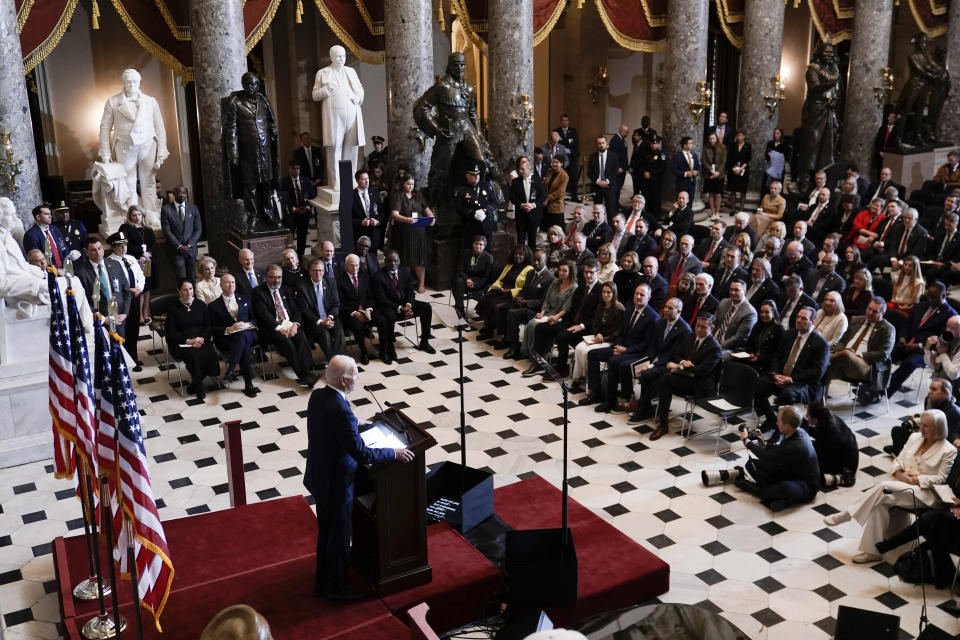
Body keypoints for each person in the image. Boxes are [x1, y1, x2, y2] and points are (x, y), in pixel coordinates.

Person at [304, 355, 414, 600]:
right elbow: (362, 453)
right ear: (344, 380)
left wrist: (356, 422)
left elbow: (334, 423)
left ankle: (323, 582)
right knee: (339, 537)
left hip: (320, 476)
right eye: (355, 373)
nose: (358, 376)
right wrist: (393, 452)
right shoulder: (340, 409)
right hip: (336, 483)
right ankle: (337, 590)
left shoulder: (319, 395)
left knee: (328, 533)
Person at [824, 409, 956, 563]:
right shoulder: (914, 437)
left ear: (938, 428)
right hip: (900, 485)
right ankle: (873, 551)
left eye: (926, 426)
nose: (921, 428)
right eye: (921, 424)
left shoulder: (948, 450)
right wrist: (900, 473)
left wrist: (917, 480)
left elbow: (941, 479)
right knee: (880, 503)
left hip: (925, 494)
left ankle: (847, 515)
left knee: (883, 487)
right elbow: (898, 459)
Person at [634, 313, 721, 440]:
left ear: (711, 329)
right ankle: (663, 424)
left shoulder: (715, 348)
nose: (699, 329)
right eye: (697, 326)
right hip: (685, 377)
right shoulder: (690, 337)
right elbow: (677, 355)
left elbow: (702, 371)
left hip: (699, 385)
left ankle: (641, 403)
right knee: (666, 384)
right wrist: (682, 363)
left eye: (703, 327)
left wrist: (681, 366)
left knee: (668, 378)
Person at [98, 68, 169, 219]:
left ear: (139, 82)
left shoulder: (150, 102)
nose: (132, 84)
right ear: (123, 82)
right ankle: (133, 216)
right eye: (129, 81)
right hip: (125, 145)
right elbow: (105, 127)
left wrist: (162, 150)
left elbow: (160, 127)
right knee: (128, 182)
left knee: (148, 181)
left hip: (148, 144)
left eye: (135, 81)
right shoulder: (113, 101)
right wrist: (105, 152)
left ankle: (151, 214)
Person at [582, 283, 659, 413]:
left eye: (642, 295)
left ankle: (610, 400)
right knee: (592, 354)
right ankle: (596, 392)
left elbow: (647, 343)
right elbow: (620, 333)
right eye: (636, 294)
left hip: (636, 352)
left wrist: (626, 350)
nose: (638, 297)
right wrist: (618, 346)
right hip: (622, 347)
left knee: (614, 361)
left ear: (649, 297)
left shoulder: (653, 317)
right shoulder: (629, 310)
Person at [753, 306, 829, 430]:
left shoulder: (821, 343)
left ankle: (783, 428)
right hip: (783, 376)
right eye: (798, 317)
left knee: (787, 394)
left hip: (805, 383)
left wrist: (791, 380)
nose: (799, 320)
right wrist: (775, 373)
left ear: (812, 322)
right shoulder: (789, 334)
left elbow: (817, 372)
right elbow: (777, 357)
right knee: (758, 385)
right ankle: (771, 418)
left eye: (804, 319)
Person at [223, 73, 281, 229]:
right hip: (247, 154)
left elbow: (271, 121)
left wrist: (273, 131)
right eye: (248, 84)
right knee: (251, 187)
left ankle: (268, 213)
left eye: (254, 84)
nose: (251, 87)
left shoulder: (263, 100)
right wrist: (233, 153)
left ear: (258, 85)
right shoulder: (236, 103)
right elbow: (231, 130)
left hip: (265, 152)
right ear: (243, 85)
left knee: (266, 185)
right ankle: (253, 217)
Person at [735, 406, 820, 511]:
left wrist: (746, 441)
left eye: (779, 421)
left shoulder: (796, 445)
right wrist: (764, 444)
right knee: (752, 464)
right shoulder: (796, 432)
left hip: (806, 486)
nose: (776, 423)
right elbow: (778, 452)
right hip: (790, 472)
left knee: (785, 487)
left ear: (787, 426)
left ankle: (758, 491)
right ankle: (778, 498)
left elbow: (766, 456)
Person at [251, 264, 318, 388]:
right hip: (270, 329)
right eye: (272, 277)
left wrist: (295, 325)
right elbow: (264, 315)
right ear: (266, 277)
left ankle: (308, 370)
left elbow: (296, 311)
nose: (276, 281)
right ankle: (302, 375)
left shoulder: (286, 290)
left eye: (279, 277)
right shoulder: (258, 292)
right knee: (287, 342)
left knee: (301, 336)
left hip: (288, 324)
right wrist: (279, 328)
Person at [887, 281, 957, 395]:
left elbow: (942, 340)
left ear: (943, 296)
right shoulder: (921, 306)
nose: (930, 300)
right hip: (906, 344)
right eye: (928, 296)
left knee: (909, 363)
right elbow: (906, 324)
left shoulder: (950, 315)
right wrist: (902, 338)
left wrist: (918, 346)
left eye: (934, 297)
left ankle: (884, 391)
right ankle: (872, 386)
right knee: (885, 355)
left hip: (926, 351)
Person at [311, 45, 366, 191]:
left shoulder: (351, 71)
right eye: (338, 56)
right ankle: (336, 181)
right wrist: (327, 88)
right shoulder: (323, 73)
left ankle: (349, 179)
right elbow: (315, 95)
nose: (342, 59)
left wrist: (358, 97)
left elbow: (360, 89)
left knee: (351, 148)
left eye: (343, 56)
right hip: (334, 117)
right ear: (331, 57)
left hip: (352, 114)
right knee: (335, 148)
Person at [825, 296, 894, 402]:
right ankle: (820, 402)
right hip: (843, 360)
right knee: (824, 370)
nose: (870, 313)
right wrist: (841, 350)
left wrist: (860, 355)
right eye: (869, 309)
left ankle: (826, 358)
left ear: (882, 314)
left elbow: (884, 354)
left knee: (845, 354)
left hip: (866, 365)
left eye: (875, 311)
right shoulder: (856, 320)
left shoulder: (887, 329)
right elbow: (842, 341)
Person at [371, 250, 435, 363]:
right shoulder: (378, 276)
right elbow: (382, 300)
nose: (393, 263)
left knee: (426, 307)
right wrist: (400, 308)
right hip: (389, 306)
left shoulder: (405, 272)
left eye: (395, 260)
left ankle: (424, 341)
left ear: (399, 261)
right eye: (389, 261)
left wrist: (409, 306)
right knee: (389, 317)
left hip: (405, 304)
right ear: (385, 261)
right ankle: (389, 347)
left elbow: (411, 292)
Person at [166, 279, 220, 401]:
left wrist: (201, 339)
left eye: (190, 289)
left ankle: (195, 383)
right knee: (194, 356)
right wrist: (189, 341)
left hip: (201, 340)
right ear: (178, 291)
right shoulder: (173, 308)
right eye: (185, 289)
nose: (188, 292)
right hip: (181, 343)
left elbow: (208, 326)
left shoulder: (200, 305)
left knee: (211, 354)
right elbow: (171, 333)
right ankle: (199, 387)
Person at [520, 261, 578, 374]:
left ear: (571, 272)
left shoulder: (574, 287)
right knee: (531, 324)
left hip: (561, 316)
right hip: (549, 312)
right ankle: (533, 355)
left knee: (538, 327)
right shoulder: (555, 282)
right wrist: (542, 313)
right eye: (560, 270)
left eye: (564, 271)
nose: (561, 273)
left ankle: (539, 357)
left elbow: (567, 307)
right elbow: (546, 300)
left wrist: (556, 317)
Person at [495, 249, 556, 357]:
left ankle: (515, 346)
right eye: (534, 260)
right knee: (500, 307)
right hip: (524, 303)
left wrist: (526, 302)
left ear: (545, 261)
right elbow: (523, 290)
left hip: (536, 310)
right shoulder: (530, 273)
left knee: (512, 313)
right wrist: (519, 298)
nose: (536, 262)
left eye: (539, 260)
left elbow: (544, 301)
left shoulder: (550, 278)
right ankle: (507, 338)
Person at [208, 273, 260, 398]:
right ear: (221, 285)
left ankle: (231, 369)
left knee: (242, 337)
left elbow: (256, 319)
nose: (230, 284)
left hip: (249, 333)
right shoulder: (213, 306)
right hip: (227, 338)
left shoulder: (245, 298)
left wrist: (247, 325)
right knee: (242, 345)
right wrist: (229, 329)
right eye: (227, 282)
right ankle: (248, 384)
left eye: (232, 282)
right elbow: (212, 329)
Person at [569, 282, 624, 391]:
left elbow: (619, 331)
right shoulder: (600, 305)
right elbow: (594, 326)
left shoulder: (619, 309)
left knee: (586, 352)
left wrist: (604, 338)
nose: (606, 295)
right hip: (598, 337)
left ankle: (588, 379)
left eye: (609, 292)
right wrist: (597, 333)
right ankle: (578, 378)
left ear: (614, 293)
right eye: (604, 292)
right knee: (579, 348)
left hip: (609, 340)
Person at [884, 378, 960, 456]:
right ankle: (901, 451)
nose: (929, 392)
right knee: (898, 430)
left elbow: (945, 438)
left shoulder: (953, 413)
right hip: (927, 434)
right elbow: (929, 416)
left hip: (937, 442)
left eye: (934, 389)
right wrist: (919, 420)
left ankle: (902, 451)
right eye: (930, 388)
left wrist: (922, 430)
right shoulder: (929, 399)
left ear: (945, 393)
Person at [389, 173, 435, 294]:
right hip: (405, 232)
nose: (410, 186)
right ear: (403, 183)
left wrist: (432, 218)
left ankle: (421, 283)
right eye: (408, 184)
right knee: (406, 259)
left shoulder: (418, 195)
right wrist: (407, 219)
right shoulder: (398, 196)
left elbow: (426, 209)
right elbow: (395, 214)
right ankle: (407, 285)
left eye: (412, 184)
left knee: (420, 258)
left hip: (419, 232)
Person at [295, 259, 346, 367]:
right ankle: (335, 365)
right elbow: (305, 310)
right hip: (313, 321)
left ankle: (337, 361)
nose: (319, 273)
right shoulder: (302, 286)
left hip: (330, 317)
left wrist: (330, 318)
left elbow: (336, 304)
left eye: (321, 271)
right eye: (315, 270)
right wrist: (320, 322)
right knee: (324, 334)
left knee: (339, 330)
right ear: (310, 271)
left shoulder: (331, 282)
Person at [476, 245, 533, 341]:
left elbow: (524, 288)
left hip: (512, 295)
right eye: (516, 254)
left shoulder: (529, 269)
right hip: (501, 292)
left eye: (520, 254)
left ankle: (501, 333)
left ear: (526, 256)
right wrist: (495, 287)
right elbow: (500, 280)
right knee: (484, 300)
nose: (517, 256)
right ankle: (489, 328)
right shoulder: (509, 266)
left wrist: (509, 291)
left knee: (496, 305)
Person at [106, 231, 145, 366]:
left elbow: (141, 275)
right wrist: (128, 291)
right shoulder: (109, 262)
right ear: (113, 246)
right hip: (122, 300)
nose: (123, 248)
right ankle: (124, 359)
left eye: (125, 245)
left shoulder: (131, 258)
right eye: (119, 245)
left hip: (135, 297)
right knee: (123, 330)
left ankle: (134, 357)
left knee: (134, 328)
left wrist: (139, 288)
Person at [73, 236, 131, 324]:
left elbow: (126, 291)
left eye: (99, 248)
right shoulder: (81, 273)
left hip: (120, 318)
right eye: (93, 250)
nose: (98, 252)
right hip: (99, 321)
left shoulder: (115, 265)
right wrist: (102, 319)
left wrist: (125, 313)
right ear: (86, 252)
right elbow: (83, 301)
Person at [336, 254, 376, 365]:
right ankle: (363, 351)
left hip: (367, 310)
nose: (355, 268)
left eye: (357, 265)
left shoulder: (365, 277)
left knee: (382, 319)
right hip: (350, 313)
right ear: (345, 266)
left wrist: (369, 309)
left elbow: (371, 297)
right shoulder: (339, 281)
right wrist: (354, 313)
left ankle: (386, 347)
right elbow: (340, 303)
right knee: (358, 326)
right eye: (352, 265)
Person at [119, 205, 155, 324]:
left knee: (148, 289)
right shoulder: (126, 228)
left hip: (148, 262)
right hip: (134, 261)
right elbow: (126, 244)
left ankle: (146, 314)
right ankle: (138, 316)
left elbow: (153, 244)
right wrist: (141, 254)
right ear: (130, 216)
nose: (137, 217)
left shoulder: (147, 228)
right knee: (140, 289)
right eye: (134, 215)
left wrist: (147, 254)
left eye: (139, 214)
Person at [160, 185, 202, 283]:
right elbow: (167, 231)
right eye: (179, 192)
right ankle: (182, 297)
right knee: (181, 277)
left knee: (192, 277)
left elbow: (198, 229)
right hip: (176, 250)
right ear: (174, 194)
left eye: (184, 193)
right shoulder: (166, 209)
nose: (182, 195)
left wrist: (189, 244)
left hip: (191, 250)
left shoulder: (193, 208)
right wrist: (179, 246)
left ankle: (193, 298)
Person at [453, 163, 498, 250]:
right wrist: (473, 213)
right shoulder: (460, 189)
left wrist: (485, 210)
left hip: (486, 225)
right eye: (473, 174)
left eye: (477, 174)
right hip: (470, 226)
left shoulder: (486, 186)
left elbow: (494, 203)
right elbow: (458, 208)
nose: (476, 176)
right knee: (469, 251)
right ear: (467, 175)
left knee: (487, 251)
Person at [452, 236, 494, 319]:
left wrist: (474, 283)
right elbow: (459, 270)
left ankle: (459, 310)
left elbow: (486, 277)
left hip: (479, 283)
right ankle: (460, 311)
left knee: (457, 286)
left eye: (481, 244)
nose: (478, 246)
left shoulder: (489, 257)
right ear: (473, 244)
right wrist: (467, 279)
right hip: (465, 279)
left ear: (484, 246)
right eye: (476, 244)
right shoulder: (466, 253)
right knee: (458, 281)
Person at [507, 157, 544, 251]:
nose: (520, 171)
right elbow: (512, 197)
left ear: (529, 169)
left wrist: (533, 205)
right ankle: (521, 259)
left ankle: (531, 261)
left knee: (532, 240)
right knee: (520, 240)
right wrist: (521, 205)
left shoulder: (537, 180)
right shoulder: (516, 182)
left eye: (523, 169)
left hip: (534, 215)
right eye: (520, 169)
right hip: (521, 215)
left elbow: (543, 196)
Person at [282, 161, 317, 257]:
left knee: (302, 236)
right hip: (291, 215)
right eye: (293, 168)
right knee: (290, 237)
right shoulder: (284, 182)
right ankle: (289, 257)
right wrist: (293, 209)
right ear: (289, 169)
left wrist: (308, 207)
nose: (296, 171)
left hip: (304, 213)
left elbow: (312, 196)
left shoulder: (305, 181)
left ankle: (300, 257)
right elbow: (283, 200)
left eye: (298, 168)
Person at [741, 300, 784, 373]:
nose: (763, 315)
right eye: (761, 312)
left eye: (767, 312)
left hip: (765, 364)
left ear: (773, 314)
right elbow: (749, 344)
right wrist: (751, 353)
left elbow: (776, 354)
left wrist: (759, 358)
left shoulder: (779, 330)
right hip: (751, 359)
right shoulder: (758, 325)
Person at [22, 204, 70, 270]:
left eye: (50, 214)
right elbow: (36, 260)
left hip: (64, 269)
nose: (50, 216)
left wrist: (67, 265)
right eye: (47, 214)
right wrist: (56, 270)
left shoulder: (55, 229)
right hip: (47, 273)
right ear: (38, 217)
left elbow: (63, 248)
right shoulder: (30, 235)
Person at [713, 280, 757, 351]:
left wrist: (717, 346)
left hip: (729, 348)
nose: (733, 293)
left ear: (744, 292)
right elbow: (713, 323)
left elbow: (739, 337)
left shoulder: (750, 312)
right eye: (731, 290)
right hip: (713, 341)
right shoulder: (724, 302)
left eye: (736, 290)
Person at [350, 169, 383, 252]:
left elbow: (382, 212)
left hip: (373, 233)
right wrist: (361, 222)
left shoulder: (375, 193)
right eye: (363, 179)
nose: (367, 181)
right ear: (357, 181)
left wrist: (377, 221)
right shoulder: (351, 196)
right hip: (359, 234)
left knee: (372, 257)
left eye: (367, 178)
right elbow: (347, 218)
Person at [587, 136, 620, 214]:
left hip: (610, 186)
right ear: (597, 145)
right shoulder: (592, 157)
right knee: (597, 211)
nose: (601, 145)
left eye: (603, 143)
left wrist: (607, 181)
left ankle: (611, 226)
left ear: (606, 143)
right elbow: (589, 172)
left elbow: (616, 172)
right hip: (596, 187)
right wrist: (598, 181)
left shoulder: (613, 156)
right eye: (599, 143)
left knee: (610, 211)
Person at [554, 114, 579, 200]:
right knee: (561, 178)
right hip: (561, 159)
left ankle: (574, 197)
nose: (565, 122)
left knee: (573, 178)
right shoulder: (556, 131)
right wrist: (568, 141)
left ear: (569, 121)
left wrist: (563, 141)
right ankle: (560, 197)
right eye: (563, 120)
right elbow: (557, 144)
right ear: (561, 122)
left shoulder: (574, 131)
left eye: (566, 120)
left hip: (572, 158)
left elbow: (575, 144)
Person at [726, 129, 751, 212]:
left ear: (744, 136)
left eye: (741, 135)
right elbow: (729, 158)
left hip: (743, 170)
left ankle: (741, 209)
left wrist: (741, 168)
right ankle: (733, 209)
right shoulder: (732, 145)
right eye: (738, 135)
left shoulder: (748, 146)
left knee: (742, 191)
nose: (739, 137)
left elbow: (748, 159)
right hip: (732, 170)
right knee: (733, 190)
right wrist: (734, 168)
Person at [702, 132, 726, 220]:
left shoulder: (722, 147)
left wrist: (718, 173)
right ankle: (712, 212)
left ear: (716, 139)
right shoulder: (706, 148)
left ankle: (717, 212)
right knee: (711, 194)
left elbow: (724, 162)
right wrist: (711, 171)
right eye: (710, 139)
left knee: (718, 194)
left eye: (713, 138)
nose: (712, 140)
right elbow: (704, 161)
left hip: (719, 175)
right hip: (709, 174)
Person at [542, 157, 568, 232]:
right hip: (546, 205)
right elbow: (545, 184)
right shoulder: (550, 171)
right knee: (547, 229)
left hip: (556, 205)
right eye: (553, 162)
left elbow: (560, 192)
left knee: (558, 230)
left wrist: (547, 199)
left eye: (557, 162)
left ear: (561, 164)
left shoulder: (564, 176)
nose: (554, 164)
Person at [609, 124, 630, 197]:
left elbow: (624, 154)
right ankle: (614, 204)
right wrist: (618, 167)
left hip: (623, 169)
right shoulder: (615, 140)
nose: (628, 134)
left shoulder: (622, 139)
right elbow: (614, 156)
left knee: (619, 187)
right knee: (616, 188)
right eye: (626, 132)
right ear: (621, 131)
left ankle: (617, 203)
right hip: (618, 169)